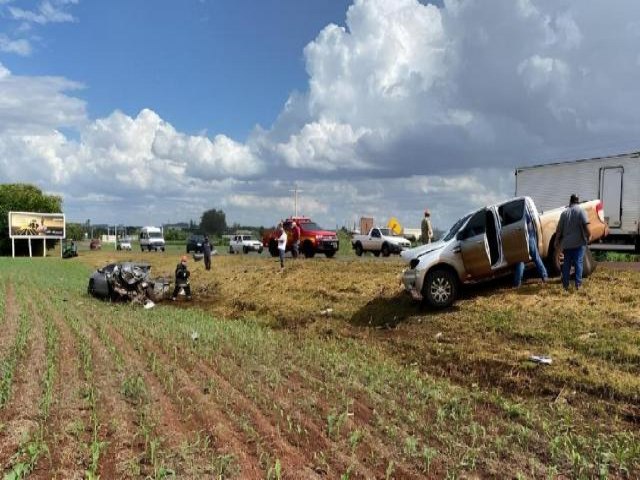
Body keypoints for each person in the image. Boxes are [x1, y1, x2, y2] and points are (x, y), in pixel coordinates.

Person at [555, 194, 591, 291]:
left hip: (567, 244)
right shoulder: (581, 211)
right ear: (578, 201)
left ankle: (565, 285)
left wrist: (556, 241)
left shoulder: (564, 214)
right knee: (578, 263)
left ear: (570, 201)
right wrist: (589, 236)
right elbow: (586, 227)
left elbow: (558, 230)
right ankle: (578, 285)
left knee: (566, 264)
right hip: (578, 243)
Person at [513, 208, 548, 287]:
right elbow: (530, 226)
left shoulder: (512, 215)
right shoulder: (524, 211)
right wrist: (531, 237)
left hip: (520, 240)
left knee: (520, 260)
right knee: (536, 257)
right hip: (529, 237)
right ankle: (544, 276)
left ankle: (517, 282)